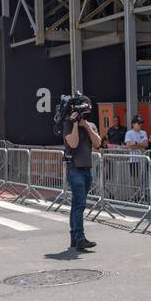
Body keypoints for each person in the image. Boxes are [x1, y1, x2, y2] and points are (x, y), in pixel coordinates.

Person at [63, 97, 101, 251]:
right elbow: (73, 144)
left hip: (87, 169)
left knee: (76, 205)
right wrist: (74, 124)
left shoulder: (89, 125)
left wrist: (85, 125)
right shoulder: (67, 124)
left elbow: (98, 143)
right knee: (80, 205)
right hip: (75, 169)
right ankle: (80, 238)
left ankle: (74, 237)